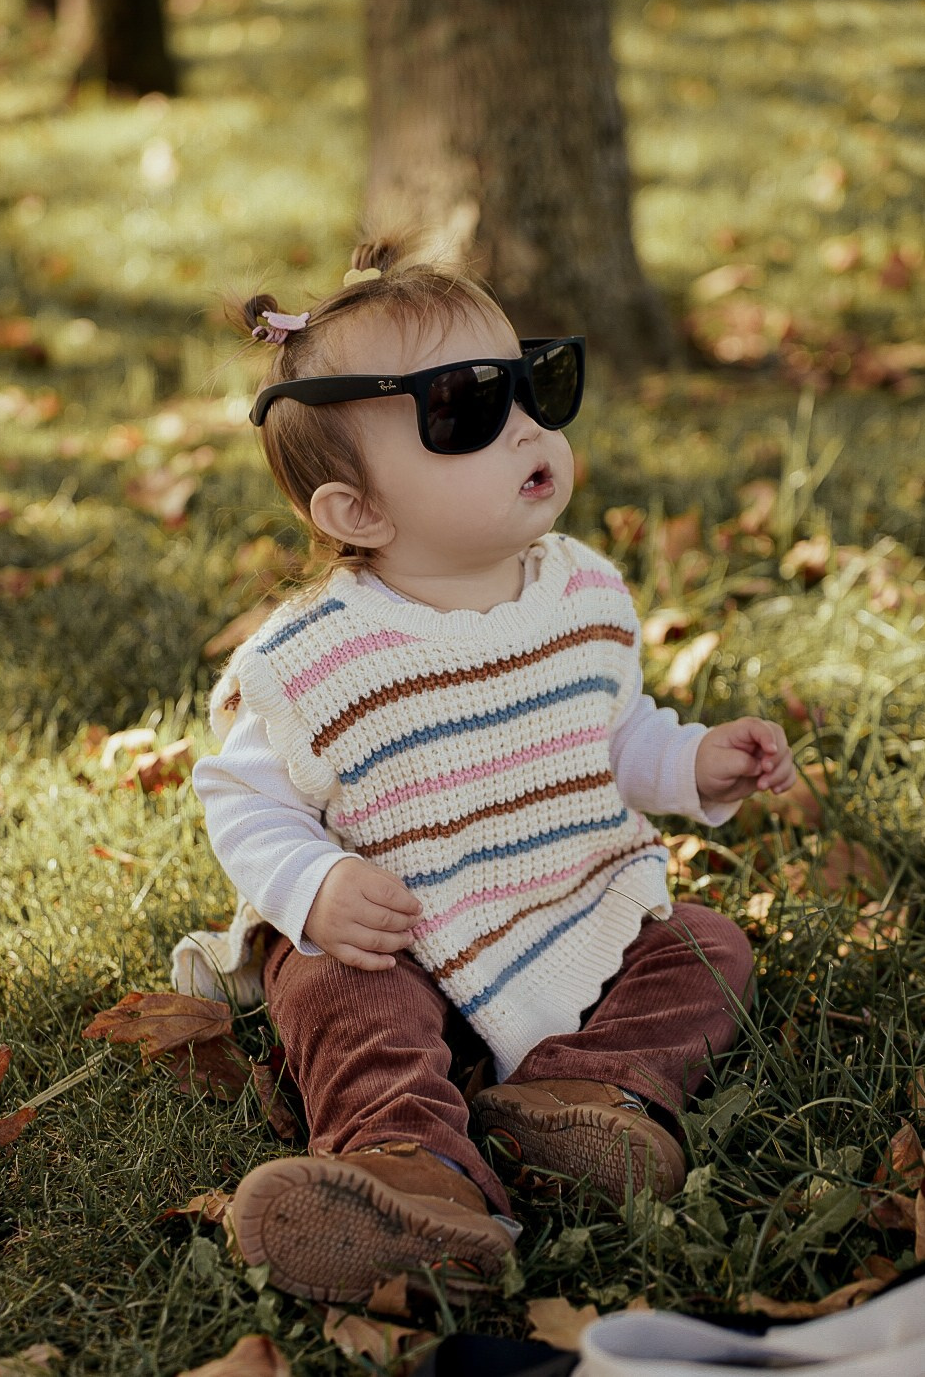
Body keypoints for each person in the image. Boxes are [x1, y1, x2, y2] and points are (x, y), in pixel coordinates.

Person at [173, 234, 796, 1305]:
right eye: (464, 409)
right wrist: (314, 887)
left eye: (532, 383)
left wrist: (694, 761)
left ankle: (577, 1100)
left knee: (707, 946)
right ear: (358, 512)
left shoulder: (580, 592)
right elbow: (243, 799)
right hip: (402, 940)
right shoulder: (316, 659)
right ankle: (409, 1164)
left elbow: (610, 736)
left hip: (564, 913)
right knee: (332, 986)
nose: (524, 426)